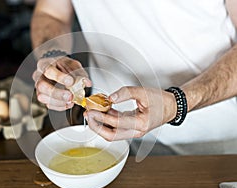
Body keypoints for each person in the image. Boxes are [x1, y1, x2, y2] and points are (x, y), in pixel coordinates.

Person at [31, 0, 237, 155]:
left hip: (210, 144)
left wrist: (178, 103)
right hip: (110, 135)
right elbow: (51, 13)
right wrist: (53, 57)